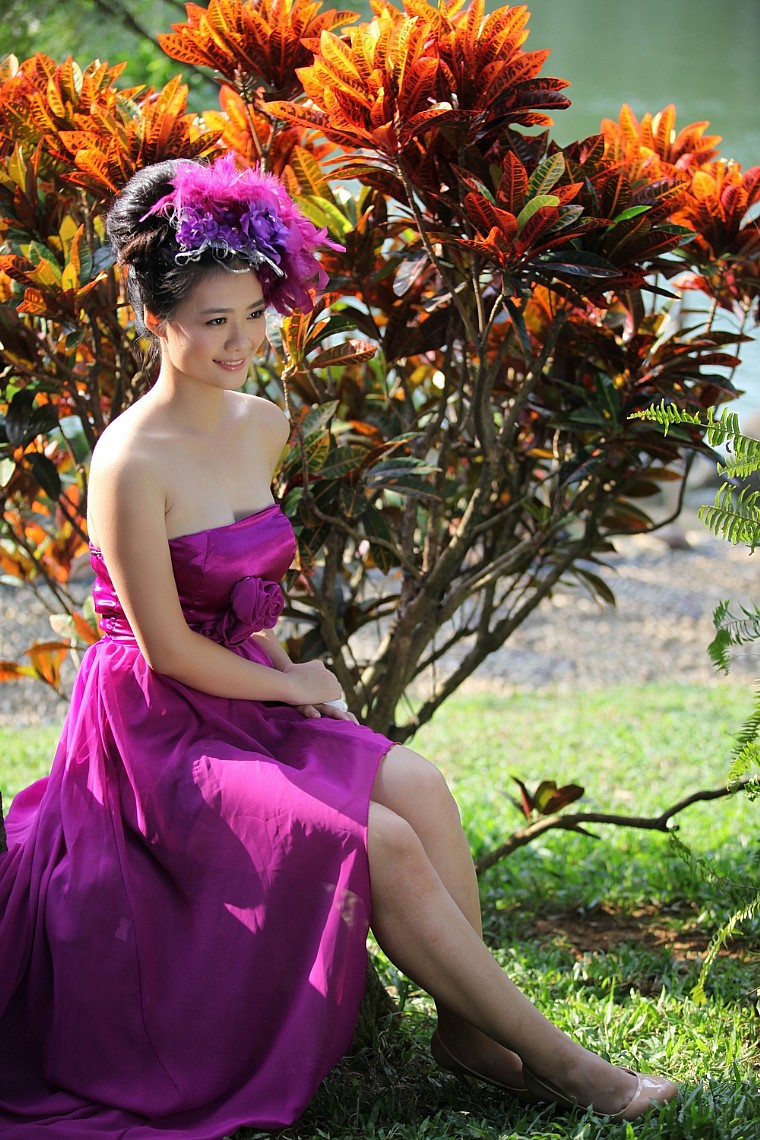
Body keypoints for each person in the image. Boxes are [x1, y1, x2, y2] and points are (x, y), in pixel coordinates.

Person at [0, 154, 678, 1139]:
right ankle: (575, 1070)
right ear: (154, 318)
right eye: (213, 321)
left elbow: (240, 600)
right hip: (155, 733)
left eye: (254, 313)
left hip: (247, 687)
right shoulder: (127, 460)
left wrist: (283, 668)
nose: (242, 341)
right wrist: (299, 684)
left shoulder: (262, 424)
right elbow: (168, 648)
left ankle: (469, 1035)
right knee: (378, 839)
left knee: (421, 787)